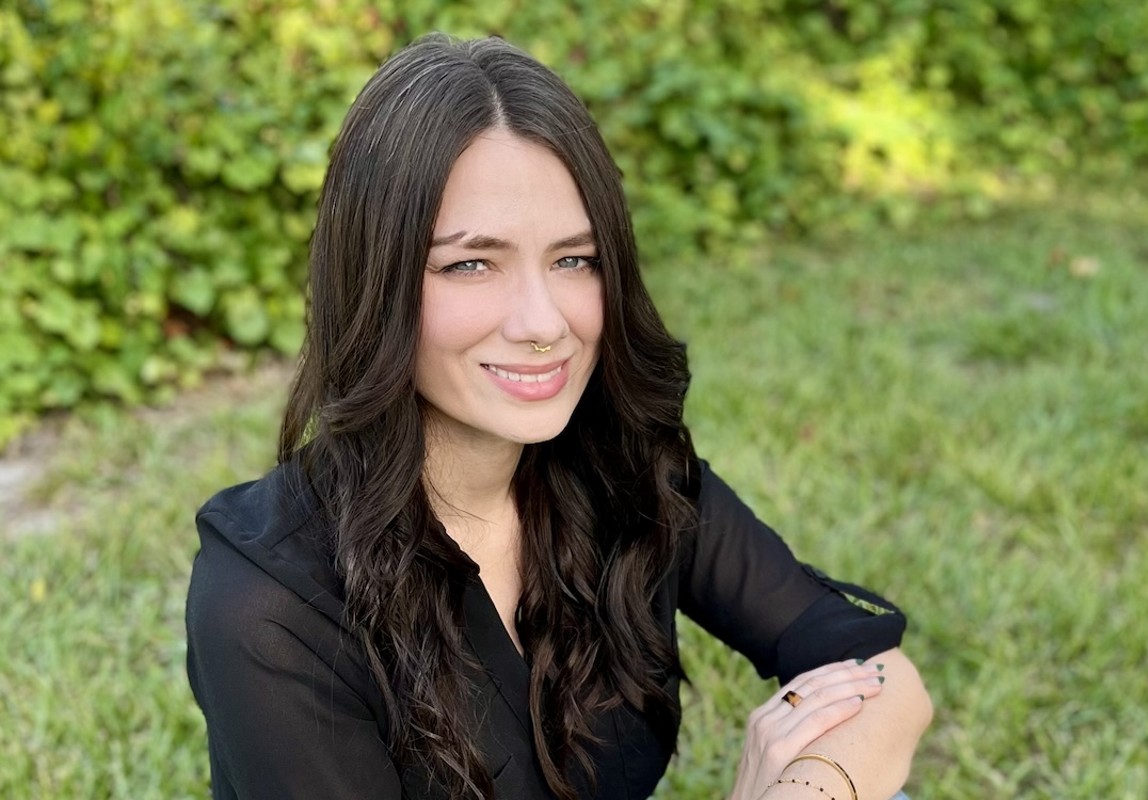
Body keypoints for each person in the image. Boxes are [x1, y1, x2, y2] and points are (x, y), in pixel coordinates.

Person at [184, 33, 932, 800]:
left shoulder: (621, 472)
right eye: (471, 263)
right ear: (374, 281)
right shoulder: (270, 604)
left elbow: (879, 675)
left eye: (574, 259)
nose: (543, 321)